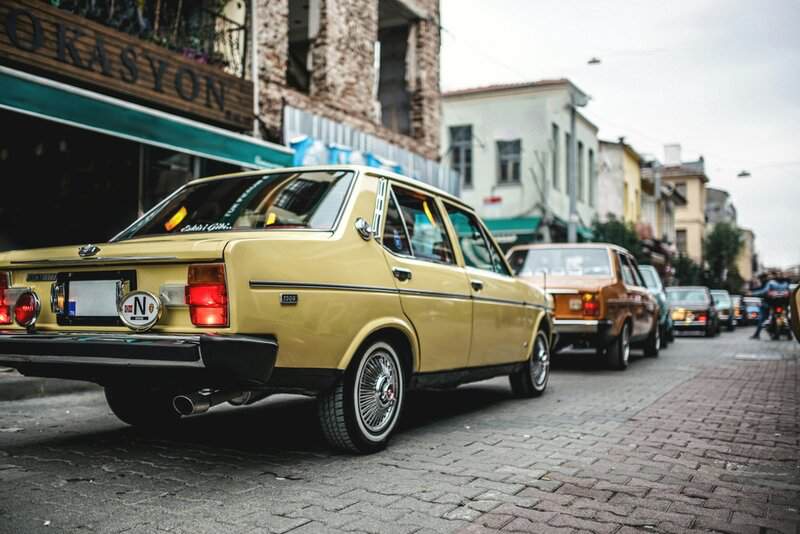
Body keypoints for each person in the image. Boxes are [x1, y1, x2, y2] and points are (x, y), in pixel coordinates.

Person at [750, 272, 790, 339]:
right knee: (785, 317)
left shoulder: (771, 283)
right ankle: (788, 333)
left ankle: (757, 334)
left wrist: (753, 293)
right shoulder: (785, 283)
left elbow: (764, 291)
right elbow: (789, 293)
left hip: (772, 304)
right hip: (782, 304)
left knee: (764, 318)